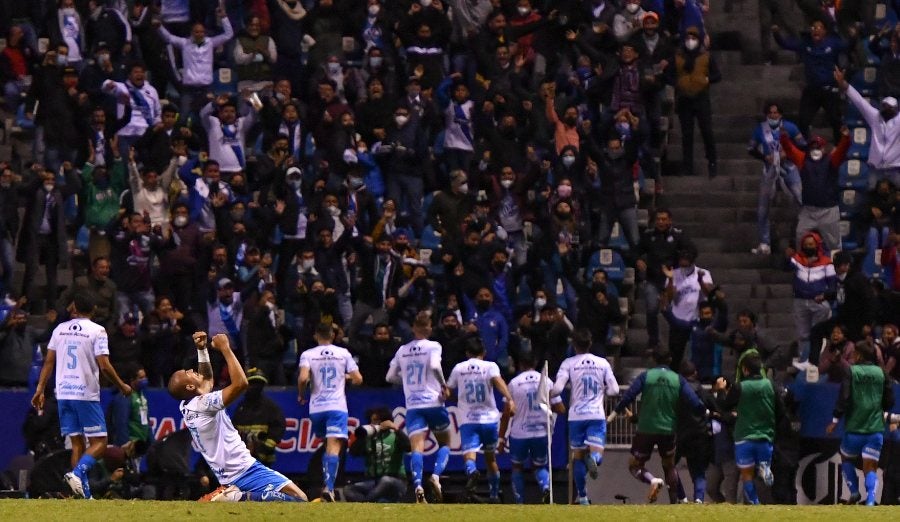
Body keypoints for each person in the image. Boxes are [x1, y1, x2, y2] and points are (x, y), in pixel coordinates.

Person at [167, 331, 308, 502]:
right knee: (300, 499)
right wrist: (226, 349)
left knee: (295, 499)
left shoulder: (188, 405)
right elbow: (241, 384)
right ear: (189, 386)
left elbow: (207, 381)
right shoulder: (203, 404)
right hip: (244, 469)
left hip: (230, 473)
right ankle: (237, 497)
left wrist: (202, 350)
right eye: (187, 373)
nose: (191, 369)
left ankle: (234, 495)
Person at [31, 294, 132, 500]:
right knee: (101, 443)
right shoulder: (97, 331)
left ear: (74, 308)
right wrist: (121, 385)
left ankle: (83, 495)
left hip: (63, 393)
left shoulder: (59, 329)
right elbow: (104, 365)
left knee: (77, 443)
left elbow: (49, 362)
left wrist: (40, 389)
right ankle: (76, 474)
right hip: (84, 393)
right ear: (93, 309)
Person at [611, 350, 706, 504]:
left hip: (645, 430)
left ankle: (653, 480)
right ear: (670, 361)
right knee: (669, 465)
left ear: (654, 360)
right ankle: (674, 503)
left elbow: (629, 395)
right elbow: (695, 403)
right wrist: (705, 411)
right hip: (668, 430)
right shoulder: (678, 379)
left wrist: (616, 411)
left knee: (635, 465)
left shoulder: (646, 376)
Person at [385, 312, 452, 503]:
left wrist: (405, 380)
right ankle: (436, 476)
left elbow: (389, 377)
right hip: (433, 401)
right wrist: (443, 385)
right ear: (429, 328)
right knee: (445, 443)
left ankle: (418, 485)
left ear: (413, 328)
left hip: (413, 404)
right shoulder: (433, 346)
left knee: (416, 448)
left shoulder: (402, 350)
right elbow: (434, 365)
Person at [551, 328, 620, 505]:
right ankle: (594, 459)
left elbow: (557, 389)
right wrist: (603, 390)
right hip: (596, 414)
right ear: (590, 343)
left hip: (576, 416)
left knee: (578, 457)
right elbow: (615, 390)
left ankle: (582, 497)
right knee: (596, 453)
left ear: (573, 345)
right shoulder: (602, 363)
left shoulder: (568, 363)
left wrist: (546, 394)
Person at [298, 322, 363, 502]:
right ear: (333, 335)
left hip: (316, 408)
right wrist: (346, 376)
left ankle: (327, 485)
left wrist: (301, 394)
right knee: (334, 447)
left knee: (327, 443)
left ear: (315, 336)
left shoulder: (308, 354)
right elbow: (358, 379)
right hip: (336, 407)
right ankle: (329, 487)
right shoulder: (343, 353)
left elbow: (303, 378)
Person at [826, 341, 895, 506]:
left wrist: (835, 420)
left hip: (854, 429)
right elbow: (889, 400)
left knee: (846, 457)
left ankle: (855, 492)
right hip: (875, 430)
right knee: (870, 466)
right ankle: (870, 500)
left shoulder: (852, 371)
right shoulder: (882, 373)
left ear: (859, 355)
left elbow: (844, 397)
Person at [447, 337, 515, 502]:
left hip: (468, 419)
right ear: (483, 352)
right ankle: (494, 493)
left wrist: (452, 397)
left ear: (467, 353)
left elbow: (448, 391)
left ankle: (472, 472)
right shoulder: (490, 366)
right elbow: (498, 381)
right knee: (490, 458)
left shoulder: (459, 368)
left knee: (469, 455)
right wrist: (509, 399)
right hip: (489, 420)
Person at [499, 353, 566, 504]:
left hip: (519, 433)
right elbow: (561, 409)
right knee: (539, 466)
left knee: (517, 467)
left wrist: (501, 438)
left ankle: (519, 502)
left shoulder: (514, 383)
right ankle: (545, 488)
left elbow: (505, 414)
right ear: (535, 362)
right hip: (541, 432)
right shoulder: (546, 381)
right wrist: (546, 407)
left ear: (520, 364)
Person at [718, 354, 782, 505]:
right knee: (762, 465)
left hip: (744, 436)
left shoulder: (740, 387)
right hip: (765, 436)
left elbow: (724, 405)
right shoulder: (770, 385)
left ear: (745, 370)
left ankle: (754, 503)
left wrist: (721, 390)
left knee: (746, 475)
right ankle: (764, 466)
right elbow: (780, 409)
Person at [747, 102, 805, 255]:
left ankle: (804, 236)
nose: (773, 115)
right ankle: (764, 242)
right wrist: (765, 156)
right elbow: (751, 149)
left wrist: (789, 152)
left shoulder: (790, 127)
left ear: (781, 114)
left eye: (776, 113)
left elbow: (803, 145)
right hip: (770, 169)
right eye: (771, 113)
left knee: (801, 199)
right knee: (763, 207)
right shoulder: (761, 129)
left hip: (789, 168)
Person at [345, 406, 411, 503]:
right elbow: (354, 453)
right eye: (372, 421)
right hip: (373, 482)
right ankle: (373, 502)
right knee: (348, 489)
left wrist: (396, 429)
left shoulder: (395, 436)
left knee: (385, 480)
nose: (374, 424)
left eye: (377, 421)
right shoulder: (368, 438)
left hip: (396, 481)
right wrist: (361, 437)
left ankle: (367, 502)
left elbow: (408, 447)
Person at [232, 368, 287, 468]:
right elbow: (234, 429)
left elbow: (279, 427)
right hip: (242, 459)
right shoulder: (241, 407)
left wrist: (265, 446)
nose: (255, 387)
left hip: (264, 460)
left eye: (259, 384)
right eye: (252, 383)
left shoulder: (270, 407)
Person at [107, 364, 151, 447]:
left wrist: (151, 444)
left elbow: (146, 423)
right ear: (132, 380)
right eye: (141, 378)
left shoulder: (142, 396)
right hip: (130, 445)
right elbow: (121, 424)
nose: (144, 380)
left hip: (140, 445)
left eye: (145, 377)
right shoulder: (124, 397)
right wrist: (125, 446)